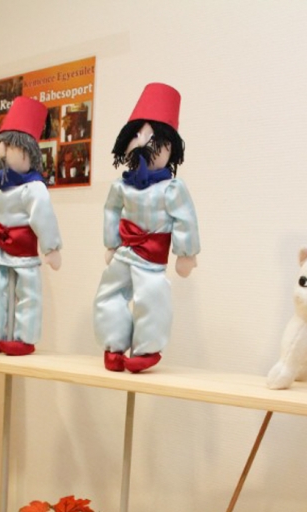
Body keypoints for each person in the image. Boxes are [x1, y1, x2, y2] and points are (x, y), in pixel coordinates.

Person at [92, 83, 200, 373]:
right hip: (124, 252)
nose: (143, 144)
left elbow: (185, 219)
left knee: (152, 299)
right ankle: (114, 345)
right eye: (138, 136)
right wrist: (111, 242)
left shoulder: (172, 188)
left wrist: (186, 253)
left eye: (153, 139)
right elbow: (111, 210)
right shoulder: (121, 186)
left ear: (170, 148)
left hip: (151, 259)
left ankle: (146, 348)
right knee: (108, 293)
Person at [0, 96, 63, 356]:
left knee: (28, 295)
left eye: (11, 145)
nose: (4, 151)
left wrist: (51, 248)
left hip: (25, 254)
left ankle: (24, 337)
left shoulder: (34, 189)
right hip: (1, 254)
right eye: (3, 145)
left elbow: (43, 218)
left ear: (29, 151)